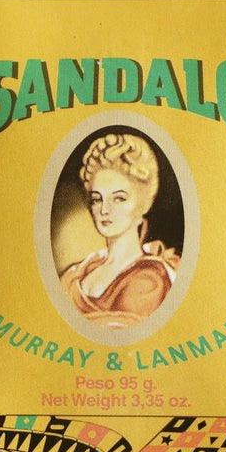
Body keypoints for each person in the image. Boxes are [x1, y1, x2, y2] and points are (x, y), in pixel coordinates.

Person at [60, 131, 180, 328]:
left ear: (142, 204)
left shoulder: (149, 280)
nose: (104, 210)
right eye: (97, 199)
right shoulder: (83, 270)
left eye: (119, 198)